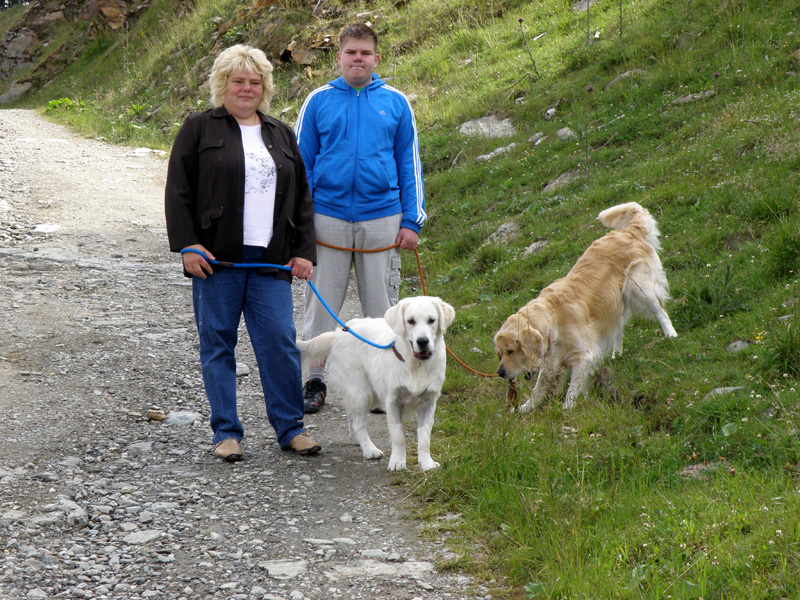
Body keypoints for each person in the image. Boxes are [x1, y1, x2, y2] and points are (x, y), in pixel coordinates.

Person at [165, 44, 321, 461]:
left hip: (271, 262)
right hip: (217, 264)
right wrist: (185, 246)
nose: (247, 88)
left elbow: (303, 198)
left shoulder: (280, 133)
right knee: (218, 345)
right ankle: (227, 434)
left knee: (281, 344)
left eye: (255, 82)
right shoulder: (198, 128)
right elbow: (178, 192)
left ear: (265, 88)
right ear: (223, 84)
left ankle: (291, 429)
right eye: (239, 81)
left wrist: (305, 250)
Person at [294, 23, 426, 414]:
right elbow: (299, 166)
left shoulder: (396, 103)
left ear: (376, 59)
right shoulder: (317, 101)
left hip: (383, 218)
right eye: (351, 52)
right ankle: (314, 381)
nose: (358, 59)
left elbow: (409, 164)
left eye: (365, 53)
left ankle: (381, 381)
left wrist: (411, 222)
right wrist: (300, 224)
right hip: (327, 218)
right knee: (321, 304)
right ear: (338, 57)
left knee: (383, 307)